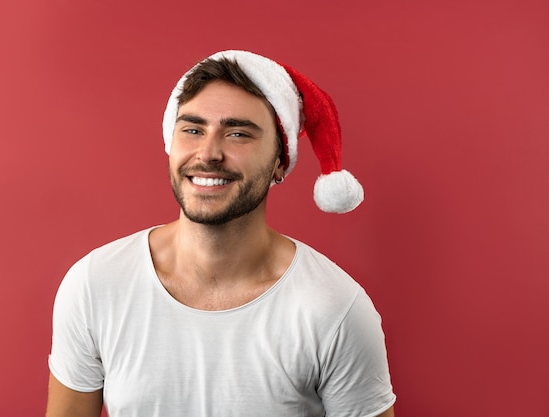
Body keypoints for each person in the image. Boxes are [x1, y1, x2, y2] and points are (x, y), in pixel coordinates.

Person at [46, 50, 396, 417]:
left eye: (238, 133)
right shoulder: (95, 285)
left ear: (280, 161)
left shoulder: (336, 309)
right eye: (193, 129)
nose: (209, 152)